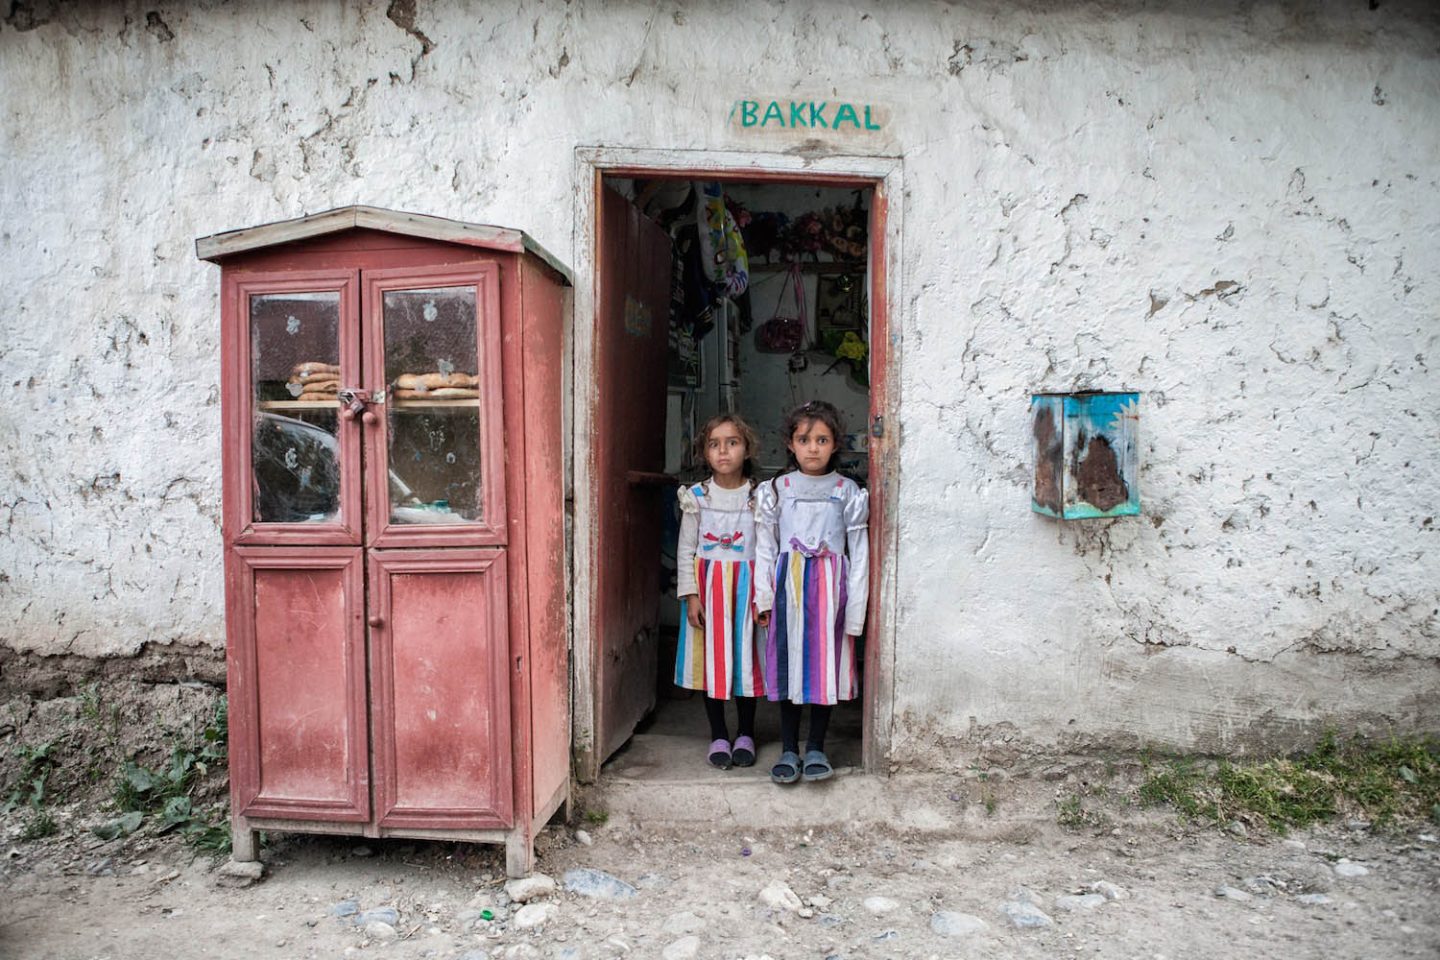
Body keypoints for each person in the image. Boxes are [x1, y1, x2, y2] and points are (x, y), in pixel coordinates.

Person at [754, 400, 868, 784]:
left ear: (835, 443)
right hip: (788, 588)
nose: (813, 447)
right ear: (791, 443)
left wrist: (855, 612)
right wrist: (764, 597)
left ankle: (816, 747)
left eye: (822, 439)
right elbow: (765, 546)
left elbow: (860, 551)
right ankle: (789, 749)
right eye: (805, 439)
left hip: (831, 593)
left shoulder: (848, 491)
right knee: (789, 665)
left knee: (824, 669)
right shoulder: (777, 489)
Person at [675, 413, 766, 769]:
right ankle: (717, 735)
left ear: (747, 449)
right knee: (712, 662)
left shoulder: (759, 496)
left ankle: (745, 733)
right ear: (704, 452)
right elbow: (686, 549)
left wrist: (763, 595)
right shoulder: (697, 497)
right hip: (709, 592)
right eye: (714, 444)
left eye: (732, 443)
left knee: (746, 659)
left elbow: (765, 547)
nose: (723, 451)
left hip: (746, 592)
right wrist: (691, 595)